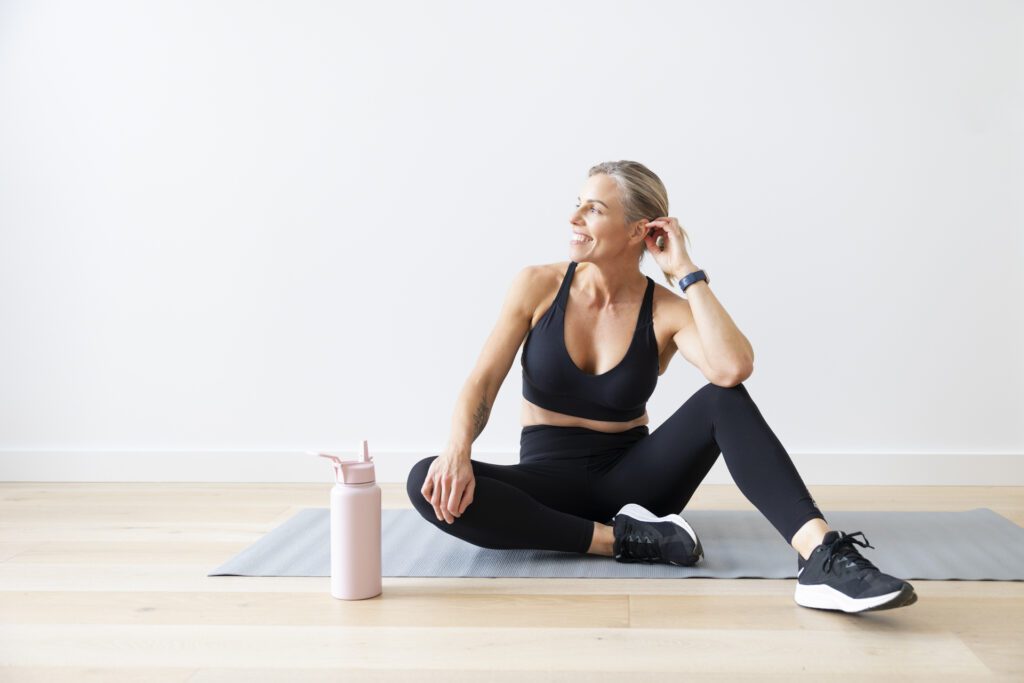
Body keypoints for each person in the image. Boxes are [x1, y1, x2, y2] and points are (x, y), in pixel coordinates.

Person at [406, 160, 917, 613]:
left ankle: (821, 556)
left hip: (636, 486)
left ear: (637, 231)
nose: (574, 219)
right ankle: (622, 542)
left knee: (723, 401)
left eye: (593, 209)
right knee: (426, 481)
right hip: (547, 483)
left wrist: (687, 272)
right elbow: (482, 381)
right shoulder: (537, 285)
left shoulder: (667, 310)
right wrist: (457, 451)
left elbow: (732, 368)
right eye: (576, 206)